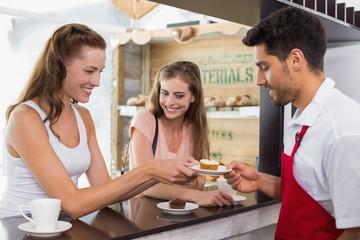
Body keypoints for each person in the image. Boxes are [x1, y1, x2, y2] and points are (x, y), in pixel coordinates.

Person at [0, 23, 199, 219]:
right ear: (60, 66)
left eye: (100, 72)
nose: (96, 82)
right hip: (19, 225)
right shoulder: (25, 118)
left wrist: (161, 172)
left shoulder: (83, 117)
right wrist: (150, 170)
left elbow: (106, 190)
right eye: (89, 71)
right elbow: (73, 203)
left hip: (63, 226)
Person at [224, 7, 360, 239]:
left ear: (295, 59)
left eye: (264, 67)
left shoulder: (342, 132)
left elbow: (354, 230)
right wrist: (260, 181)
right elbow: (313, 193)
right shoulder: (301, 118)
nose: (259, 81)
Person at [129, 61, 236, 207]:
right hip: (143, 214)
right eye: (164, 93)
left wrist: (190, 184)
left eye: (179, 96)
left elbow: (200, 181)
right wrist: (194, 193)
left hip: (180, 212)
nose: (169, 102)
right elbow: (144, 183)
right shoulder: (145, 119)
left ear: (193, 97)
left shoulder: (194, 128)